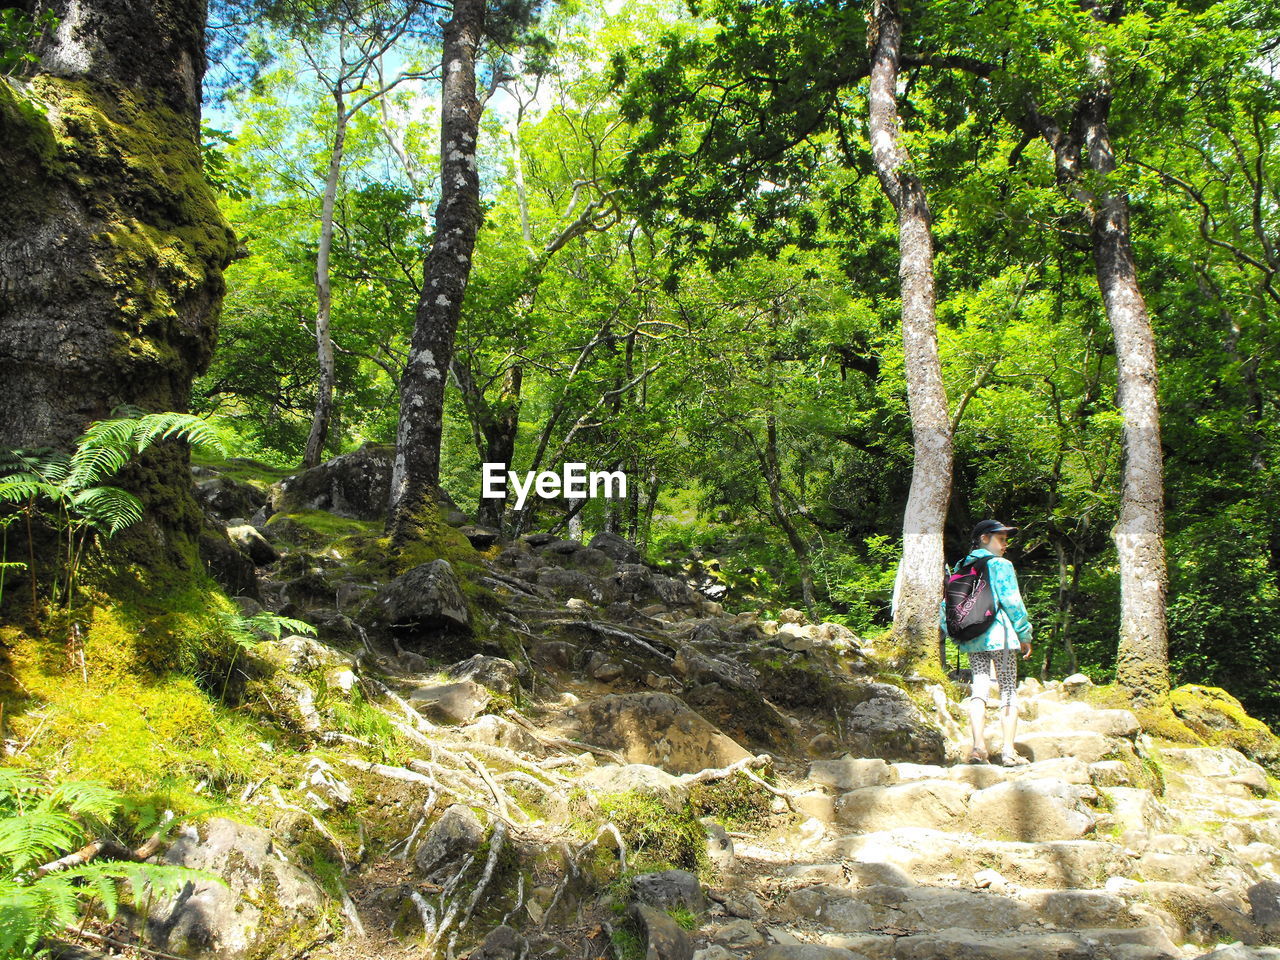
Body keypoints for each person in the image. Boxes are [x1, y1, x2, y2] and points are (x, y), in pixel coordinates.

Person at [951, 520, 1033, 765]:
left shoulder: (962, 565)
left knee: (979, 688)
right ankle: (1008, 751)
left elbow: (949, 604)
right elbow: (1012, 601)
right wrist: (1024, 634)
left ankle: (978, 748)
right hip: (1001, 637)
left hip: (973, 638)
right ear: (985, 538)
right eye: (1001, 539)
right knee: (1008, 689)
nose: (1005, 545)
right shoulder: (1000, 565)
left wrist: (953, 632)